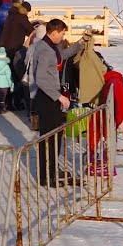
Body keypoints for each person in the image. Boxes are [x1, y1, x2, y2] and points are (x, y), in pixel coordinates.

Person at [32, 20, 89, 187]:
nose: (63, 36)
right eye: (62, 33)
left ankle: (52, 170)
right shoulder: (44, 50)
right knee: (48, 139)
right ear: (54, 32)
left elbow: (61, 56)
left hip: (52, 98)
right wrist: (59, 97)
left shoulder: (50, 47)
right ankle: (46, 176)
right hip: (47, 99)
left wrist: (79, 45)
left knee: (56, 137)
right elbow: (41, 78)